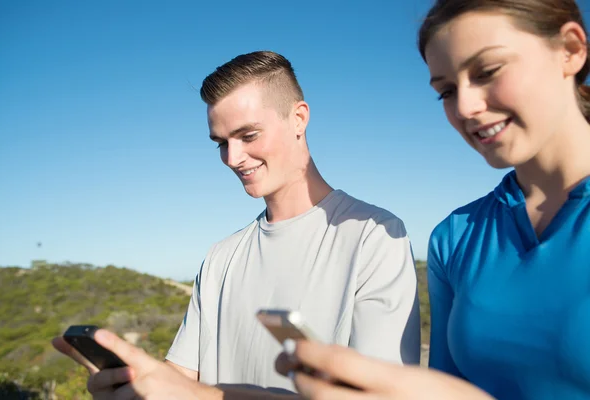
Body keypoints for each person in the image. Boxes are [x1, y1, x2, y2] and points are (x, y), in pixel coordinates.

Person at [53, 50, 421, 398]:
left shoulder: (374, 236)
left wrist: (199, 396)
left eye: (248, 136)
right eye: (221, 143)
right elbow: (181, 378)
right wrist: (135, 386)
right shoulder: (220, 257)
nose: (232, 158)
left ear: (299, 118)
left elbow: (380, 396)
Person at [276, 0, 590, 399]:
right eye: (446, 90)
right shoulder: (454, 237)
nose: (465, 107)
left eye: (488, 72)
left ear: (571, 50)